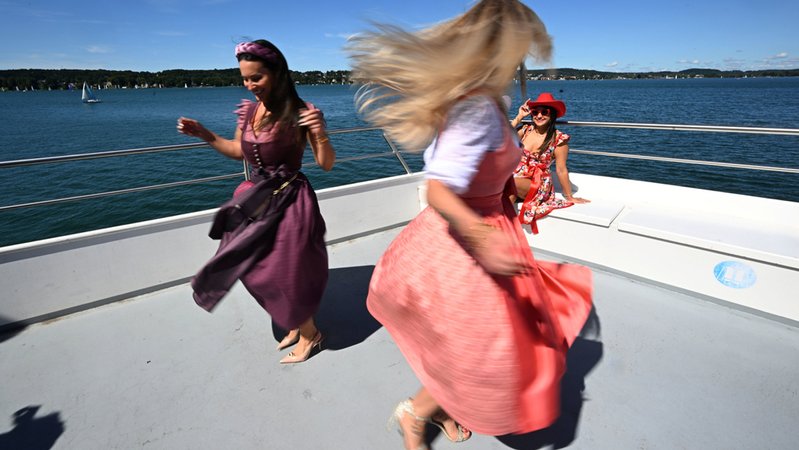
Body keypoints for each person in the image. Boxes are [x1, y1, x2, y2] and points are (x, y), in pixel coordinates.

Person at [348, 1, 593, 448]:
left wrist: (509, 192)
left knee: (477, 345)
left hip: (491, 227)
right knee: (482, 352)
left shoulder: (492, 102)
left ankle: (435, 408)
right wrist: (484, 237)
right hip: (465, 242)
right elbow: (440, 189)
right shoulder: (477, 107)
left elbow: (481, 171)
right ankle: (415, 414)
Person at [177, 39, 335, 364]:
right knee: (250, 267)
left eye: (256, 78)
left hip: (291, 201)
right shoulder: (250, 110)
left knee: (284, 272)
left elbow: (326, 163)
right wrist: (205, 134)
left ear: (277, 73)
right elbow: (238, 152)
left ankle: (310, 335)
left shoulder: (302, 112)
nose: (250, 86)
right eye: (245, 79)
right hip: (255, 198)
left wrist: (320, 131)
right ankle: (294, 322)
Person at [510, 92, 589, 233]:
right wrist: (519, 117)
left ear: (552, 114)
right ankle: (498, 228)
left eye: (544, 112)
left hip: (537, 183)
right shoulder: (525, 130)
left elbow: (561, 169)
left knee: (507, 183)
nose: (539, 116)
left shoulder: (559, 139)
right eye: (535, 112)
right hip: (518, 176)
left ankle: (496, 229)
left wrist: (569, 196)